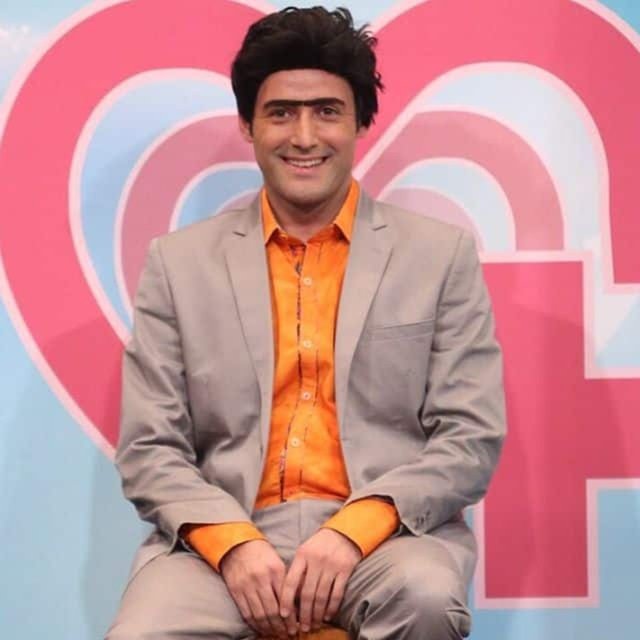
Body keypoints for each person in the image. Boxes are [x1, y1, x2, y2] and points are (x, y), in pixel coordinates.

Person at [106, 6, 505, 640]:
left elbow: (469, 436)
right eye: (281, 113)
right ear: (247, 125)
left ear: (360, 122)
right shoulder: (178, 264)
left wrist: (355, 530)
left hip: (386, 538)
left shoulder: (439, 256)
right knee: (143, 634)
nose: (304, 136)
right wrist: (232, 543)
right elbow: (150, 447)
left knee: (426, 600)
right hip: (222, 539)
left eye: (327, 111)